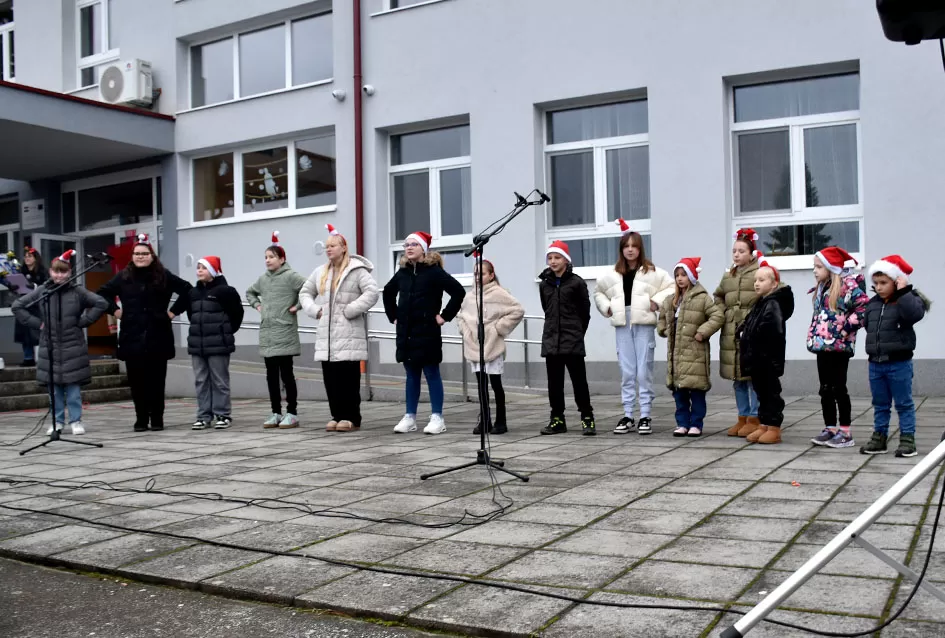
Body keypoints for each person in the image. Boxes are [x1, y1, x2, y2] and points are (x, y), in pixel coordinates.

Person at [98, 234, 191, 432]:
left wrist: (173, 312)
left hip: (158, 335)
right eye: (137, 254)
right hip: (132, 336)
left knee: (157, 381)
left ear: (151, 256)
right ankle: (141, 418)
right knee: (137, 382)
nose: (140, 257)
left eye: (144, 253)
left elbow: (187, 290)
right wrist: (115, 311)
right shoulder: (123, 276)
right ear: (132, 256)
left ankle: (157, 418)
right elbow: (102, 294)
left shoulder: (163, 275)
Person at [13, 250, 108, 435]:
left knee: (73, 389)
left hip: (72, 346)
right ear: (50, 272)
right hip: (50, 345)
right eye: (56, 271)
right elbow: (18, 306)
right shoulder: (43, 291)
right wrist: (37, 324)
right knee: (54, 390)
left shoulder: (77, 291)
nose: (59, 275)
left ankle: (76, 421)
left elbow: (101, 303)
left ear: (69, 272)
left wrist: (84, 321)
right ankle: (57, 422)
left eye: (63, 272)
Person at [594, 219, 673, 434]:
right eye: (626, 246)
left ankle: (645, 414)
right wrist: (607, 307)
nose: (630, 250)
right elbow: (598, 292)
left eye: (634, 246)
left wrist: (655, 302)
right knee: (627, 371)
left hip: (643, 323)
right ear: (621, 249)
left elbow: (671, 287)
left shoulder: (652, 272)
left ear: (640, 248)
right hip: (622, 324)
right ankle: (628, 414)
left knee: (643, 370)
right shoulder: (613, 273)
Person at [383, 231, 466, 435]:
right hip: (406, 333)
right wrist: (393, 316)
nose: (409, 248)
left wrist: (444, 316)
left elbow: (458, 292)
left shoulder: (434, 272)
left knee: (431, 372)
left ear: (423, 249)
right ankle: (410, 416)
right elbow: (388, 292)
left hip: (427, 331)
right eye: (406, 245)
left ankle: (437, 417)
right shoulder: (402, 273)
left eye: (414, 244)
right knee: (411, 374)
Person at [300, 225, 379, 433]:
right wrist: (315, 310)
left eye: (333, 245)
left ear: (344, 247)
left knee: (348, 379)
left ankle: (351, 417)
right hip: (326, 337)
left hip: (349, 334)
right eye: (327, 246)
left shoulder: (356, 270)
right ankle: (336, 415)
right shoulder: (320, 271)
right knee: (331, 379)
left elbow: (372, 292)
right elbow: (304, 293)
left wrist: (351, 309)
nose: (328, 249)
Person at [859, 255, 930, 458]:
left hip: (899, 363)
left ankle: (907, 439)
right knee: (880, 404)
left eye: (884, 282)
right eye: (876, 283)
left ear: (897, 280)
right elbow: (868, 325)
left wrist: (903, 291)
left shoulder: (907, 301)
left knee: (903, 403)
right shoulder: (873, 303)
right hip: (876, 363)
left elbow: (913, 314)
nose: (879, 287)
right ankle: (879, 437)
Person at [807, 246, 868, 449]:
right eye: (814, 266)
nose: (814, 271)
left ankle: (845, 432)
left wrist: (845, 330)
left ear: (831, 267)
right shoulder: (822, 287)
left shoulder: (847, 286)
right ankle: (830, 428)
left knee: (838, 388)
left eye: (818, 267)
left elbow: (863, 308)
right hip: (822, 346)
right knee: (825, 388)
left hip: (840, 347)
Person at [246, 231, 308, 429]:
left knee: (287, 375)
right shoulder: (263, 279)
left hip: (285, 332)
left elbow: (308, 288)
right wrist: (257, 305)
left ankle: (292, 412)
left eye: (271, 257)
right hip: (268, 334)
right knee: (271, 376)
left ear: (282, 259)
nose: (268, 260)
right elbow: (250, 292)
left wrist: (297, 306)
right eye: (266, 257)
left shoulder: (291, 276)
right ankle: (275, 412)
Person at [457, 257, 524, 435]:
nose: (478, 277)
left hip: (493, 346)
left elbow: (517, 310)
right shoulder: (470, 296)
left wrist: (498, 328)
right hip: (475, 345)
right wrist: (466, 331)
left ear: (491, 275)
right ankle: (485, 419)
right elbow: (461, 316)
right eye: (475, 274)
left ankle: (501, 421)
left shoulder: (499, 294)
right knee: (481, 385)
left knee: (496, 384)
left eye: (482, 274)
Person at [657, 257, 724, 437]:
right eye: (677, 275)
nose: (680, 279)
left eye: (684, 275)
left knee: (696, 392)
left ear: (692, 276)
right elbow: (662, 317)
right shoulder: (671, 300)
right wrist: (664, 329)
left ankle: (696, 424)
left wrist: (702, 332)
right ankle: (682, 423)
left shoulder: (702, 298)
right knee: (679, 393)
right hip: (677, 356)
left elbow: (717, 316)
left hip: (695, 355)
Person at [538, 240, 595, 436]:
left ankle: (587, 417)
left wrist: (577, 333)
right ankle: (557, 419)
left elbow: (585, 313)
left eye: (557, 257)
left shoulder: (577, 283)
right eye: (550, 258)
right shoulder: (544, 284)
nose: (553, 261)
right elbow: (547, 310)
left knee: (579, 382)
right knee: (554, 384)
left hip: (572, 340)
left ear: (566, 260)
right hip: (551, 341)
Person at [736, 259, 795, 445]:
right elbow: (749, 322)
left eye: (761, 280)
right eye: (755, 280)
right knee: (761, 393)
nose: (756, 283)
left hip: (767, 360)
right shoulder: (761, 303)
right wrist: (742, 331)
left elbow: (772, 332)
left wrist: (751, 335)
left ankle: (774, 427)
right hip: (757, 360)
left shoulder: (773, 304)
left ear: (774, 284)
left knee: (771, 394)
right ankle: (764, 424)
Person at [185, 256, 244, 431]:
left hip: (218, 343)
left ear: (212, 270)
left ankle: (223, 414)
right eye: (198, 268)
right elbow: (191, 315)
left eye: (203, 268)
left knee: (219, 380)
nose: (199, 271)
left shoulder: (226, 291)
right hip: (197, 344)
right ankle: (203, 416)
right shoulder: (193, 293)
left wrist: (225, 330)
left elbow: (237, 313)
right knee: (201, 380)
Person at [715, 228, 763, 438]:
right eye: (734, 251)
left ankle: (755, 417)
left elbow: (773, 293)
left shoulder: (760, 272)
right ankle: (742, 417)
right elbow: (718, 296)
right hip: (731, 332)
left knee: (752, 377)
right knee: (738, 378)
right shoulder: (729, 275)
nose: (736, 255)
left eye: (741, 251)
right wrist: (723, 313)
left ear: (751, 253)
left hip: (751, 331)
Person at [14, 246, 46, 366]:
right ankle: (28, 358)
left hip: (37, 305)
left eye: (30, 256)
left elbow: (46, 286)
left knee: (39, 332)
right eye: (25, 256)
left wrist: (34, 286)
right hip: (24, 305)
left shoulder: (42, 271)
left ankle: (44, 358)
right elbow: (17, 288)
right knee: (24, 333)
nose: (27, 258)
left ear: (35, 258)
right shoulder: (21, 271)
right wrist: (13, 286)